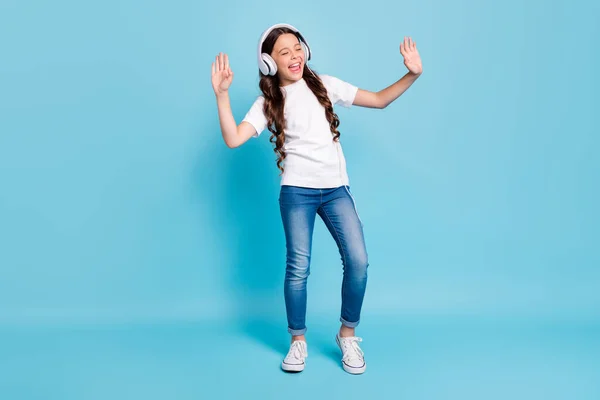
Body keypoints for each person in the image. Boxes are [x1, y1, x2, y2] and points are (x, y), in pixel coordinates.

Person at [211, 23, 422, 374]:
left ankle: (347, 334)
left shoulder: (326, 84)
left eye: (297, 48)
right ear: (268, 63)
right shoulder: (267, 102)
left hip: (336, 189)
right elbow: (233, 138)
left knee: (358, 261)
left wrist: (411, 74)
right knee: (298, 268)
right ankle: (298, 342)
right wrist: (221, 95)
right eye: (284, 52)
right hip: (296, 192)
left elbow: (380, 100)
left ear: (306, 50)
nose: (294, 56)